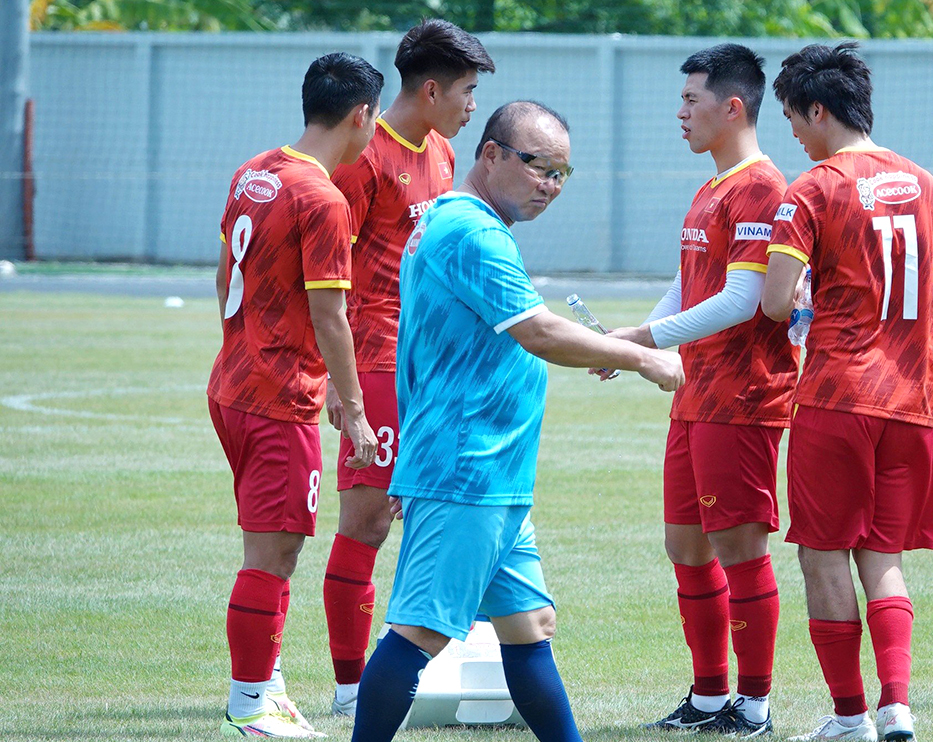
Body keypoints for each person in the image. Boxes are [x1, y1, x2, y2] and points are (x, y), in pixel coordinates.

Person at [349, 100, 686, 742]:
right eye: (538, 167)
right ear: (492, 154)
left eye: (562, 173)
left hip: (489, 471)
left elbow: (431, 348)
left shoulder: (457, 221)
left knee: (529, 626)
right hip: (468, 468)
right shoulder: (471, 232)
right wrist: (642, 356)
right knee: (419, 633)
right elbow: (538, 331)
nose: (550, 185)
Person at [761, 43, 933, 742]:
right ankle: (897, 706)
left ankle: (850, 717)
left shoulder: (812, 189)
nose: (792, 134)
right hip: (912, 404)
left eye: (793, 118)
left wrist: (812, 295)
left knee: (822, 554)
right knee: (883, 558)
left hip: (838, 397)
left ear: (819, 110)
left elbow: (776, 302)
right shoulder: (922, 180)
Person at [605, 43, 794, 737]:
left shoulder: (762, 187)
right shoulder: (712, 187)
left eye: (691, 100)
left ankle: (755, 704)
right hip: (697, 394)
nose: (680, 112)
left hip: (743, 398)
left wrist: (646, 338)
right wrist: (628, 340)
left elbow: (743, 300)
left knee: (741, 550)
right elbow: (691, 284)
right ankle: (710, 696)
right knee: (685, 547)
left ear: (732, 106)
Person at [322, 19, 494, 718]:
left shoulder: (444, 153)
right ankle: (349, 689)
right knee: (367, 522)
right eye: (467, 91)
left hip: (434, 368)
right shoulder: (364, 158)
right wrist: (340, 384)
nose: (473, 105)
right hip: (376, 362)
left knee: (432, 514)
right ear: (430, 89)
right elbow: (327, 275)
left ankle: (420, 668)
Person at [208, 52, 383, 738]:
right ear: (362, 115)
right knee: (275, 554)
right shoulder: (323, 198)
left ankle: (268, 684)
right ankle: (250, 704)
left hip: (233, 384)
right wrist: (356, 411)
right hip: (278, 399)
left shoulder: (254, 171)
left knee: (268, 545)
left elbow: (224, 271)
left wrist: (242, 347)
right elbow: (331, 315)